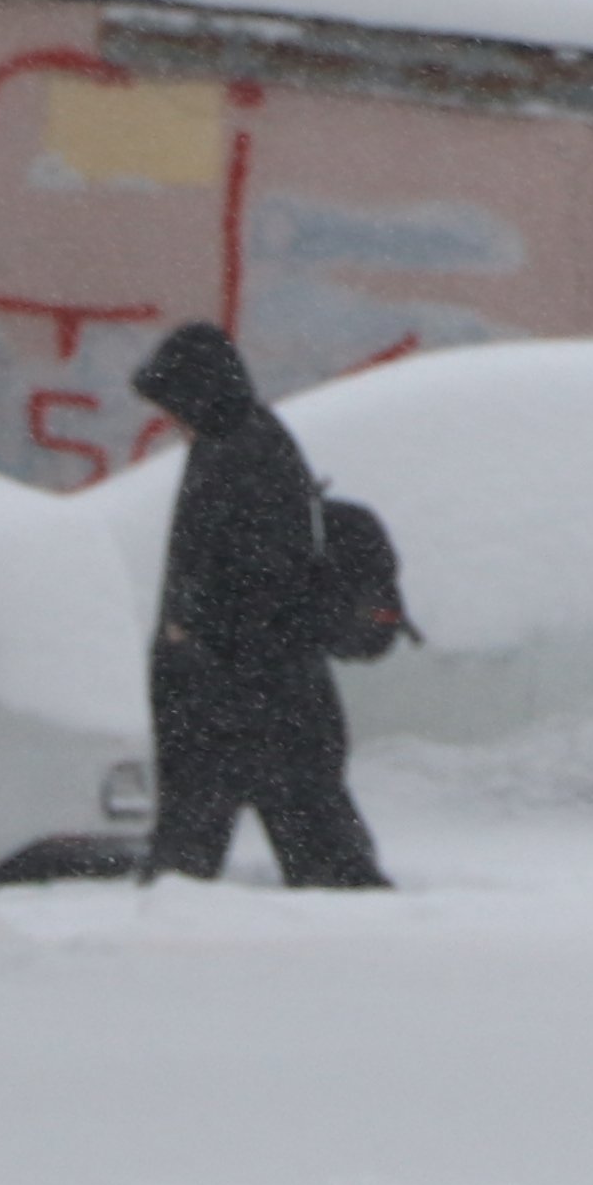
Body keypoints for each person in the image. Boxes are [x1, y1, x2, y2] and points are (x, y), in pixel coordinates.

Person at [130, 320, 389, 892]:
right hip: (252, 690)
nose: (171, 421)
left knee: (243, 838)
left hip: (245, 690)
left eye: (174, 404)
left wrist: (194, 632)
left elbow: (261, 577)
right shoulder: (238, 445)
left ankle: (166, 936)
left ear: (199, 394)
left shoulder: (244, 455)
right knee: (304, 834)